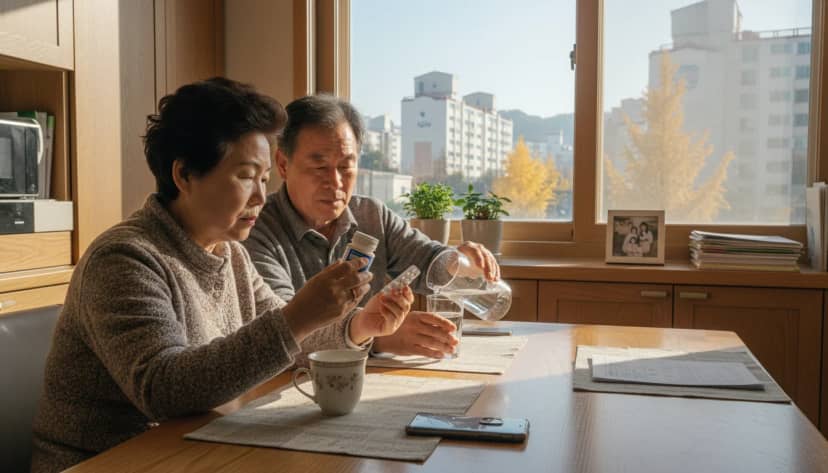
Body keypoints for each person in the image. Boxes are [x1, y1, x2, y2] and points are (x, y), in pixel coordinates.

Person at [30, 79, 413, 473]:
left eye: (265, 179)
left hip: (196, 452)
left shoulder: (229, 254)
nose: (261, 198)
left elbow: (290, 339)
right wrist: (297, 316)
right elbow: (164, 390)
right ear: (184, 175)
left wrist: (360, 324)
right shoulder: (125, 258)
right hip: (109, 463)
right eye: (246, 176)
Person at [243, 94, 500, 359]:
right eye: (319, 166)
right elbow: (282, 330)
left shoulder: (370, 215)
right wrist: (377, 337)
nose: (335, 182)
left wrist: (457, 261)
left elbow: (426, 260)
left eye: (346, 166)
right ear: (284, 165)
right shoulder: (255, 231)